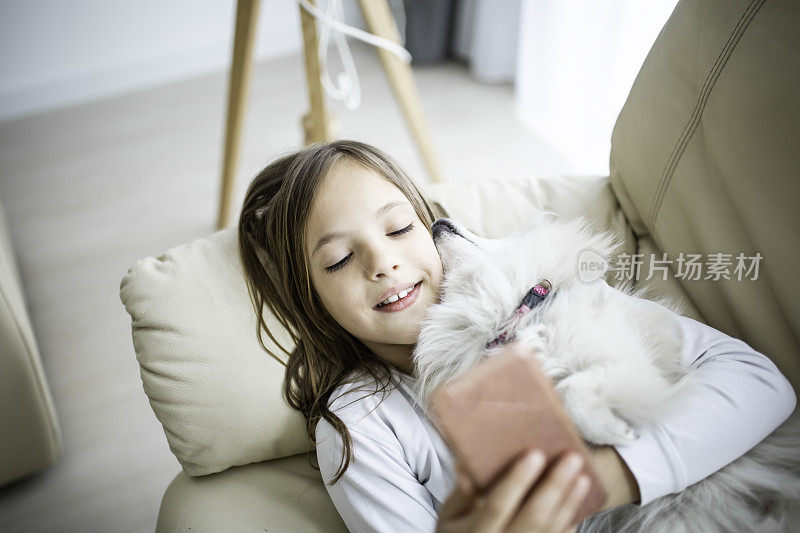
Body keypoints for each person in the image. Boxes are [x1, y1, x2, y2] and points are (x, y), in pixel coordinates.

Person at [237, 139, 796, 532]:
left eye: (400, 228)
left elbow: (761, 382)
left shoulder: (526, 279)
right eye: (337, 260)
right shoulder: (362, 423)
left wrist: (611, 479)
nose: (383, 262)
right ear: (308, 297)